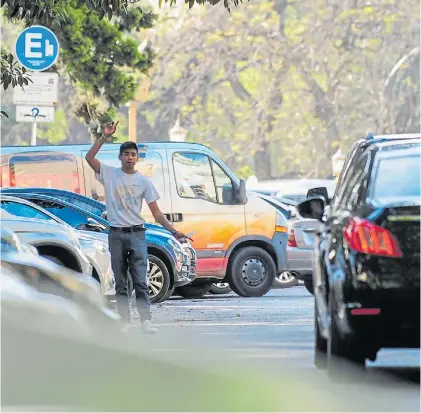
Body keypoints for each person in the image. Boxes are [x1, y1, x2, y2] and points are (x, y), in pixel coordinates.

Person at [85, 121, 190, 333]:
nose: (130, 157)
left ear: (137, 158)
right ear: (120, 157)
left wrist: (174, 231)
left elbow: (156, 212)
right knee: (120, 281)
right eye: (126, 154)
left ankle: (146, 321)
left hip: (137, 234)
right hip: (115, 234)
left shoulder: (143, 181)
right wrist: (104, 136)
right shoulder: (110, 174)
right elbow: (89, 158)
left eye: (133, 154)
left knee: (141, 280)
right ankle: (124, 321)